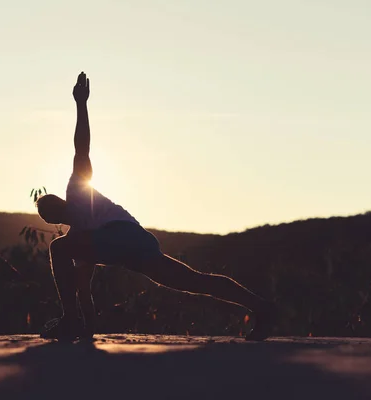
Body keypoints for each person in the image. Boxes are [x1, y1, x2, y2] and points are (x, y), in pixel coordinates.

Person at [36, 72, 275, 342]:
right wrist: (87, 329)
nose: (49, 215)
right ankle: (262, 308)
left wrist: (81, 104)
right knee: (193, 281)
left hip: (122, 236)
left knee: (58, 248)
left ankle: (69, 321)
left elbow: (82, 149)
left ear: (60, 203)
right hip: (138, 244)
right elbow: (82, 287)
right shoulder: (79, 240)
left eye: (48, 209)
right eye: (45, 215)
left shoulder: (77, 192)